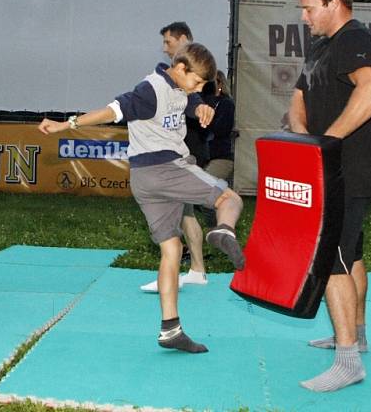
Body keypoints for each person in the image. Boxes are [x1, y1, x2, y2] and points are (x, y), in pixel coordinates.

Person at [39, 42, 245, 353]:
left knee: (172, 249)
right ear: (180, 69)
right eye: (198, 81)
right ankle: (223, 230)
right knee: (230, 200)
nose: (199, 88)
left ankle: (170, 329)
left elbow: (187, 100)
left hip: (144, 180)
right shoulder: (149, 90)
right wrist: (66, 124)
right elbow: (112, 111)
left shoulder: (180, 87)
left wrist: (199, 104)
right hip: (166, 168)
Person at [288, 0, 371, 392]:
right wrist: (303, 141)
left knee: (332, 261)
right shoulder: (320, 48)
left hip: (350, 168)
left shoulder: (355, 40)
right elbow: (298, 99)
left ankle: (348, 363)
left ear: (333, 1)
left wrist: (328, 140)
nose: (305, 17)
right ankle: (357, 336)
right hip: (327, 168)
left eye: (309, 8)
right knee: (353, 254)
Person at [141, 21, 208, 293]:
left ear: (183, 39)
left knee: (168, 214)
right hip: (178, 154)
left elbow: (194, 103)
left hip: (180, 154)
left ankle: (169, 274)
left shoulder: (196, 69)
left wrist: (200, 106)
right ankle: (197, 270)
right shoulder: (175, 75)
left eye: (168, 42)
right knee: (185, 215)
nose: (165, 49)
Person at [199, 71, 236, 227]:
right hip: (204, 156)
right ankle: (217, 227)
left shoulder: (226, 104)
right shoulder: (201, 103)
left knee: (206, 191)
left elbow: (222, 129)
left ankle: (218, 227)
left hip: (221, 157)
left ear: (220, 84)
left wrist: (208, 116)